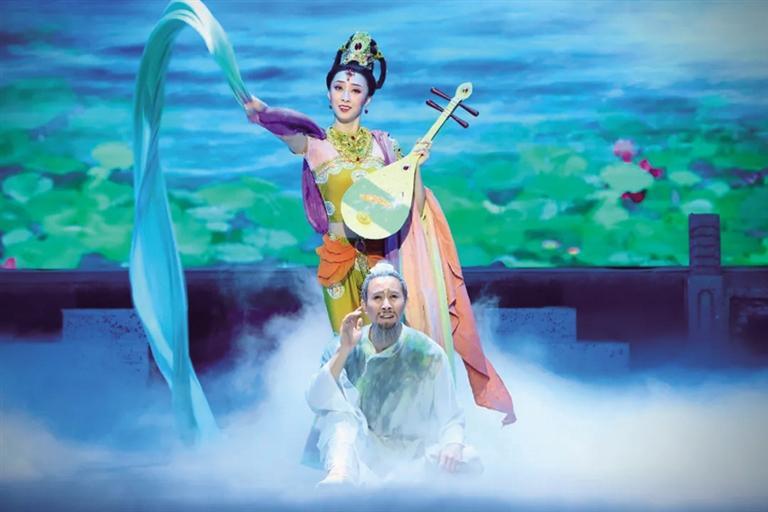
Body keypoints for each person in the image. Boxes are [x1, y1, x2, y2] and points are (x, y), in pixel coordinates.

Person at [244, 32, 516, 425]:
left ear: (368, 99)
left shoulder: (385, 146)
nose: (345, 96)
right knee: (352, 351)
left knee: (390, 352)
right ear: (328, 94)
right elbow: (282, 126)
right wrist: (260, 112)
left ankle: (402, 431)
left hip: (382, 264)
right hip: (339, 263)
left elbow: (413, 209)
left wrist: (415, 168)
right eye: (338, 87)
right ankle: (354, 433)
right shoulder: (313, 143)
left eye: (355, 90)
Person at [305, 262, 481, 486]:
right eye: (377, 298)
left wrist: (452, 444)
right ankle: (341, 477)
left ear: (405, 302)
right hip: (362, 454)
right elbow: (317, 401)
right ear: (364, 305)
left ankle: (396, 485)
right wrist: (344, 350)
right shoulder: (341, 347)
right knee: (339, 416)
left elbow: (451, 417)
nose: (386, 305)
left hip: (412, 461)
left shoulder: (428, 353)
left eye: (394, 297)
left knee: (469, 459)